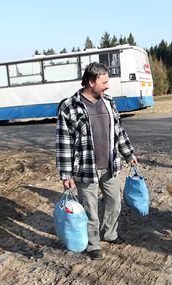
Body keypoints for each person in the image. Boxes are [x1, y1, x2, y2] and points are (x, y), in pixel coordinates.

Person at [56, 62, 138, 260]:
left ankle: (109, 234)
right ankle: (93, 245)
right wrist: (66, 174)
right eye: (104, 82)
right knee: (90, 209)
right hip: (85, 170)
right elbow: (63, 143)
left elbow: (118, 131)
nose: (107, 86)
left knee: (114, 203)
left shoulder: (109, 102)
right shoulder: (69, 106)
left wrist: (129, 153)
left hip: (109, 165)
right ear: (91, 82)